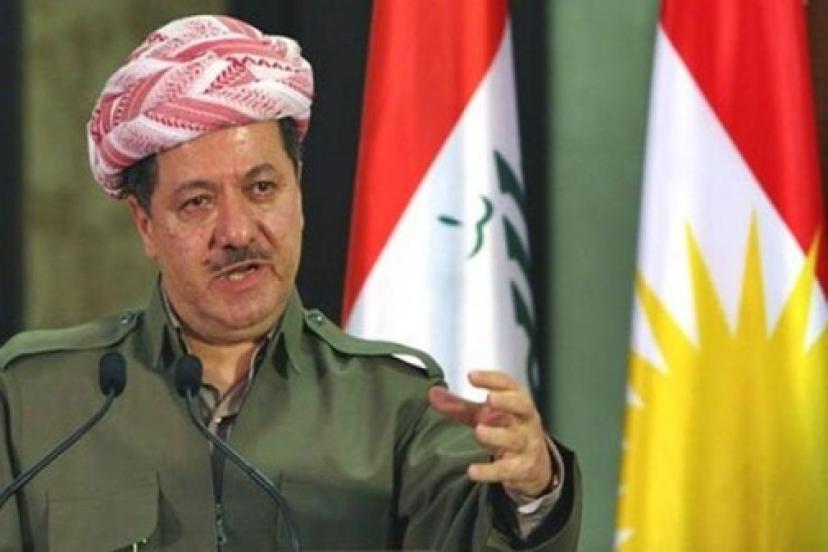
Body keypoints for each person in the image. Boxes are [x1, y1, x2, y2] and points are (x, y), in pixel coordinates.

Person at [0, 15, 580, 551]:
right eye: (198, 202)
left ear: (297, 189)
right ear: (145, 223)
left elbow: (482, 534)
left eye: (261, 189)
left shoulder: (394, 404)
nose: (237, 231)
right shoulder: (36, 398)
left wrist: (534, 491)